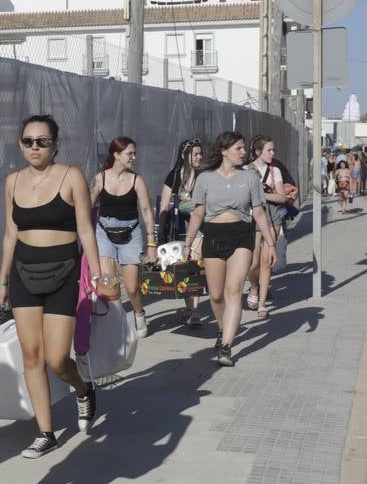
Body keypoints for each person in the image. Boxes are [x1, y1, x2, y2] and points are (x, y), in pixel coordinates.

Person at [0, 115, 102, 455]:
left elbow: (86, 229)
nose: (35, 147)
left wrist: (97, 274)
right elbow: (10, 234)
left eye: (42, 141)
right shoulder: (12, 181)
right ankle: (46, 431)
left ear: (55, 144)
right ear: (20, 145)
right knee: (32, 356)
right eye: (28, 141)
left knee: (57, 360)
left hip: (64, 270)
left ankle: (83, 389)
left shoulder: (71, 177)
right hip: (24, 272)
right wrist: (2, 279)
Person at [183, 131, 276, 367]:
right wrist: (187, 243)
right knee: (215, 295)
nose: (244, 152)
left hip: (241, 236)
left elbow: (258, 212)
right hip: (213, 236)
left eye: (244, 148)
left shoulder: (250, 178)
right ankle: (223, 329)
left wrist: (270, 243)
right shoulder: (205, 178)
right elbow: (197, 213)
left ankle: (226, 346)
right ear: (224, 151)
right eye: (239, 148)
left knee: (233, 291)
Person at [91, 137, 156, 339]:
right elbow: (87, 207)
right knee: (108, 283)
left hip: (131, 233)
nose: (134, 157)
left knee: (132, 287)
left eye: (134, 153)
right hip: (104, 232)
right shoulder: (99, 178)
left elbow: (146, 211)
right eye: (130, 153)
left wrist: (151, 243)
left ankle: (139, 313)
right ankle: (115, 321)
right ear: (116, 155)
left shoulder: (137, 180)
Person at [245, 136, 297, 318]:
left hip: (271, 219)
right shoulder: (246, 171)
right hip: (251, 221)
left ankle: (261, 303)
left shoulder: (275, 171)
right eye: (269, 150)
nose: (273, 153)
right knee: (252, 263)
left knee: (266, 263)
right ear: (258, 152)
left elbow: (282, 197)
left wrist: (261, 195)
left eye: (273, 150)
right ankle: (253, 287)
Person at [158, 139, 204, 326]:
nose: (200, 157)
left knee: (195, 266)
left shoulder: (204, 175)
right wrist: (160, 235)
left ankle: (193, 311)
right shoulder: (175, 176)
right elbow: (163, 205)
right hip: (181, 228)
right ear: (186, 155)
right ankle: (190, 309)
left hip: (201, 228)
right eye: (196, 154)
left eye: (201, 153)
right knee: (186, 267)